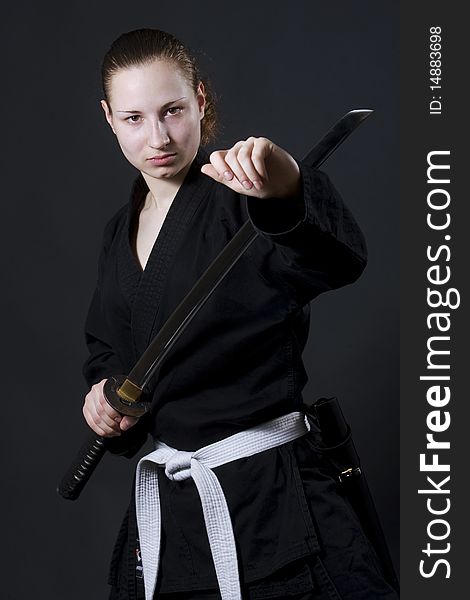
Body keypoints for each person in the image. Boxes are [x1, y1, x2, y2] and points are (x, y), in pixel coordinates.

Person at [82, 28, 398, 600]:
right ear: (109, 117)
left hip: (274, 500)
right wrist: (104, 396)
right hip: (173, 516)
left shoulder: (244, 192)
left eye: (173, 110)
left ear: (201, 99)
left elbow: (338, 260)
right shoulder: (115, 234)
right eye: (133, 118)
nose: (158, 136)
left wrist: (287, 192)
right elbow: (108, 347)